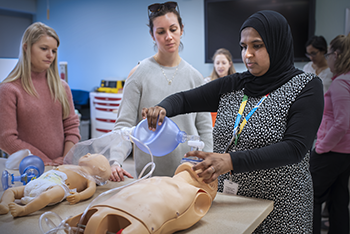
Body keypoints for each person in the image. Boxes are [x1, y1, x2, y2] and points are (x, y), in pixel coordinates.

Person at [142, 10, 324, 233]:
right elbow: (184, 99)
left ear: (277, 43)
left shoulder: (305, 86)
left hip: (283, 207)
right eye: (243, 46)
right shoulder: (236, 84)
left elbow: (295, 148)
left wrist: (231, 161)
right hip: (235, 202)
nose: (247, 54)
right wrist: (162, 108)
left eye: (257, 45)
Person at [110, 1, 213, 181]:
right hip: (149, 174)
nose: (168, 36)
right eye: (161, 31)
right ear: (152, 35)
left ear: (181, 29)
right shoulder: (138, 74)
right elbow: (123, 125)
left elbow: (204, 128)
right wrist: (115, 161)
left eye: (173, 29)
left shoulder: (195, 77)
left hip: (188, 174)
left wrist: (209, 162)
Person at [0, 22, 80, 166]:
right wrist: (44, 161)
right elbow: (6, 139)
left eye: (54, 51)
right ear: (26, 48)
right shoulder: (9, 90)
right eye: (44, 49)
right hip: (28, 168)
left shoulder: (62, 87)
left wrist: (65, 160)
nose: (50, 55)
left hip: (61, 167)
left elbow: (71, 128)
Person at [65, 161, 217, 233]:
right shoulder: (156, 178)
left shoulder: (196, 196)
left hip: (141, 220)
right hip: (113, 205)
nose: (201, 167)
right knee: (83, 222)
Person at [310, 33, 350, 234]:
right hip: (344, 154)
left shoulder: (340, 83)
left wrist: (321, 147)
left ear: (338, 55)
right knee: (338, 200)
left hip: (331, 152)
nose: (328, 60)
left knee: (311, 196)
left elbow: (342, 123)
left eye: (330, 55)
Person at [0, 153, 111, 218]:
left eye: (92, 156)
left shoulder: (89, 177)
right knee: (12, 191)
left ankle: (24, 210)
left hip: (58, 186)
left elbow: (91, 190)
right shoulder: (72, 165)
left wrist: (79, 196)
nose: (88, 154)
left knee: (48, 196)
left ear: (101, 169)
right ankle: (5, 204)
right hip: (40, 181)